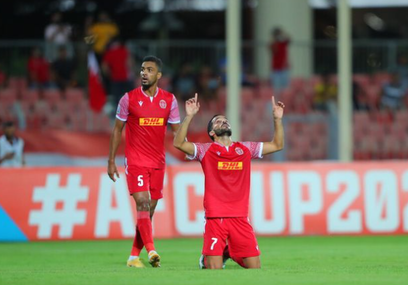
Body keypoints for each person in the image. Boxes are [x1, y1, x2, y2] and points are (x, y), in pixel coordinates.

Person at [173, 94, 285, 269]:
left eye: (225, 120)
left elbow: (277, 145)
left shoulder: (245, 149)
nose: (223, 122)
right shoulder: (205, 150)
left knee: (255, 268)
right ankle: (213, 256)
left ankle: (228, 252)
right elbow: (178, 143)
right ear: (212, 133)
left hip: (240, 217)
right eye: (218, 121)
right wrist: (189, 116)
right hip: (215, 217)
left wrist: (277, 120)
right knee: (213, 269)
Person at [107, 56, 181, 268]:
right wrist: (111, 160)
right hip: (136, 160)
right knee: (143, 203)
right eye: (142, 69)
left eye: (149, 70)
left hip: (158, 162)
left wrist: (190, 119)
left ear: (158, 75)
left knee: (149, 211)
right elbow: (117, 130)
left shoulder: (169, 100)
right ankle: (151, 250)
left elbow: (177, 134)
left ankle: (132, 257)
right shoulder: (128, 99)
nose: (144, 73)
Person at [102, 37, 133, 110]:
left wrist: (108, 74)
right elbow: (129, 63)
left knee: (116, 97)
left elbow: (104, 66)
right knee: (129, 96)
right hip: (125, 77)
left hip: (115, 78)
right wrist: (131, 72)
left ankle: (118, 112)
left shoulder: (109, 53)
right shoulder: (124, 51)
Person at [269, 27, 290, 96]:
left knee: (285, 89)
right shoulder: (274, 44)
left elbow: (289, 39)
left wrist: (282, 33)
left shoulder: (283, 43)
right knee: (276, 89)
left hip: (284, 68)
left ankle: (284, 102)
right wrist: (274, 38)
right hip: (276, 69)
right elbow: (274, 50)